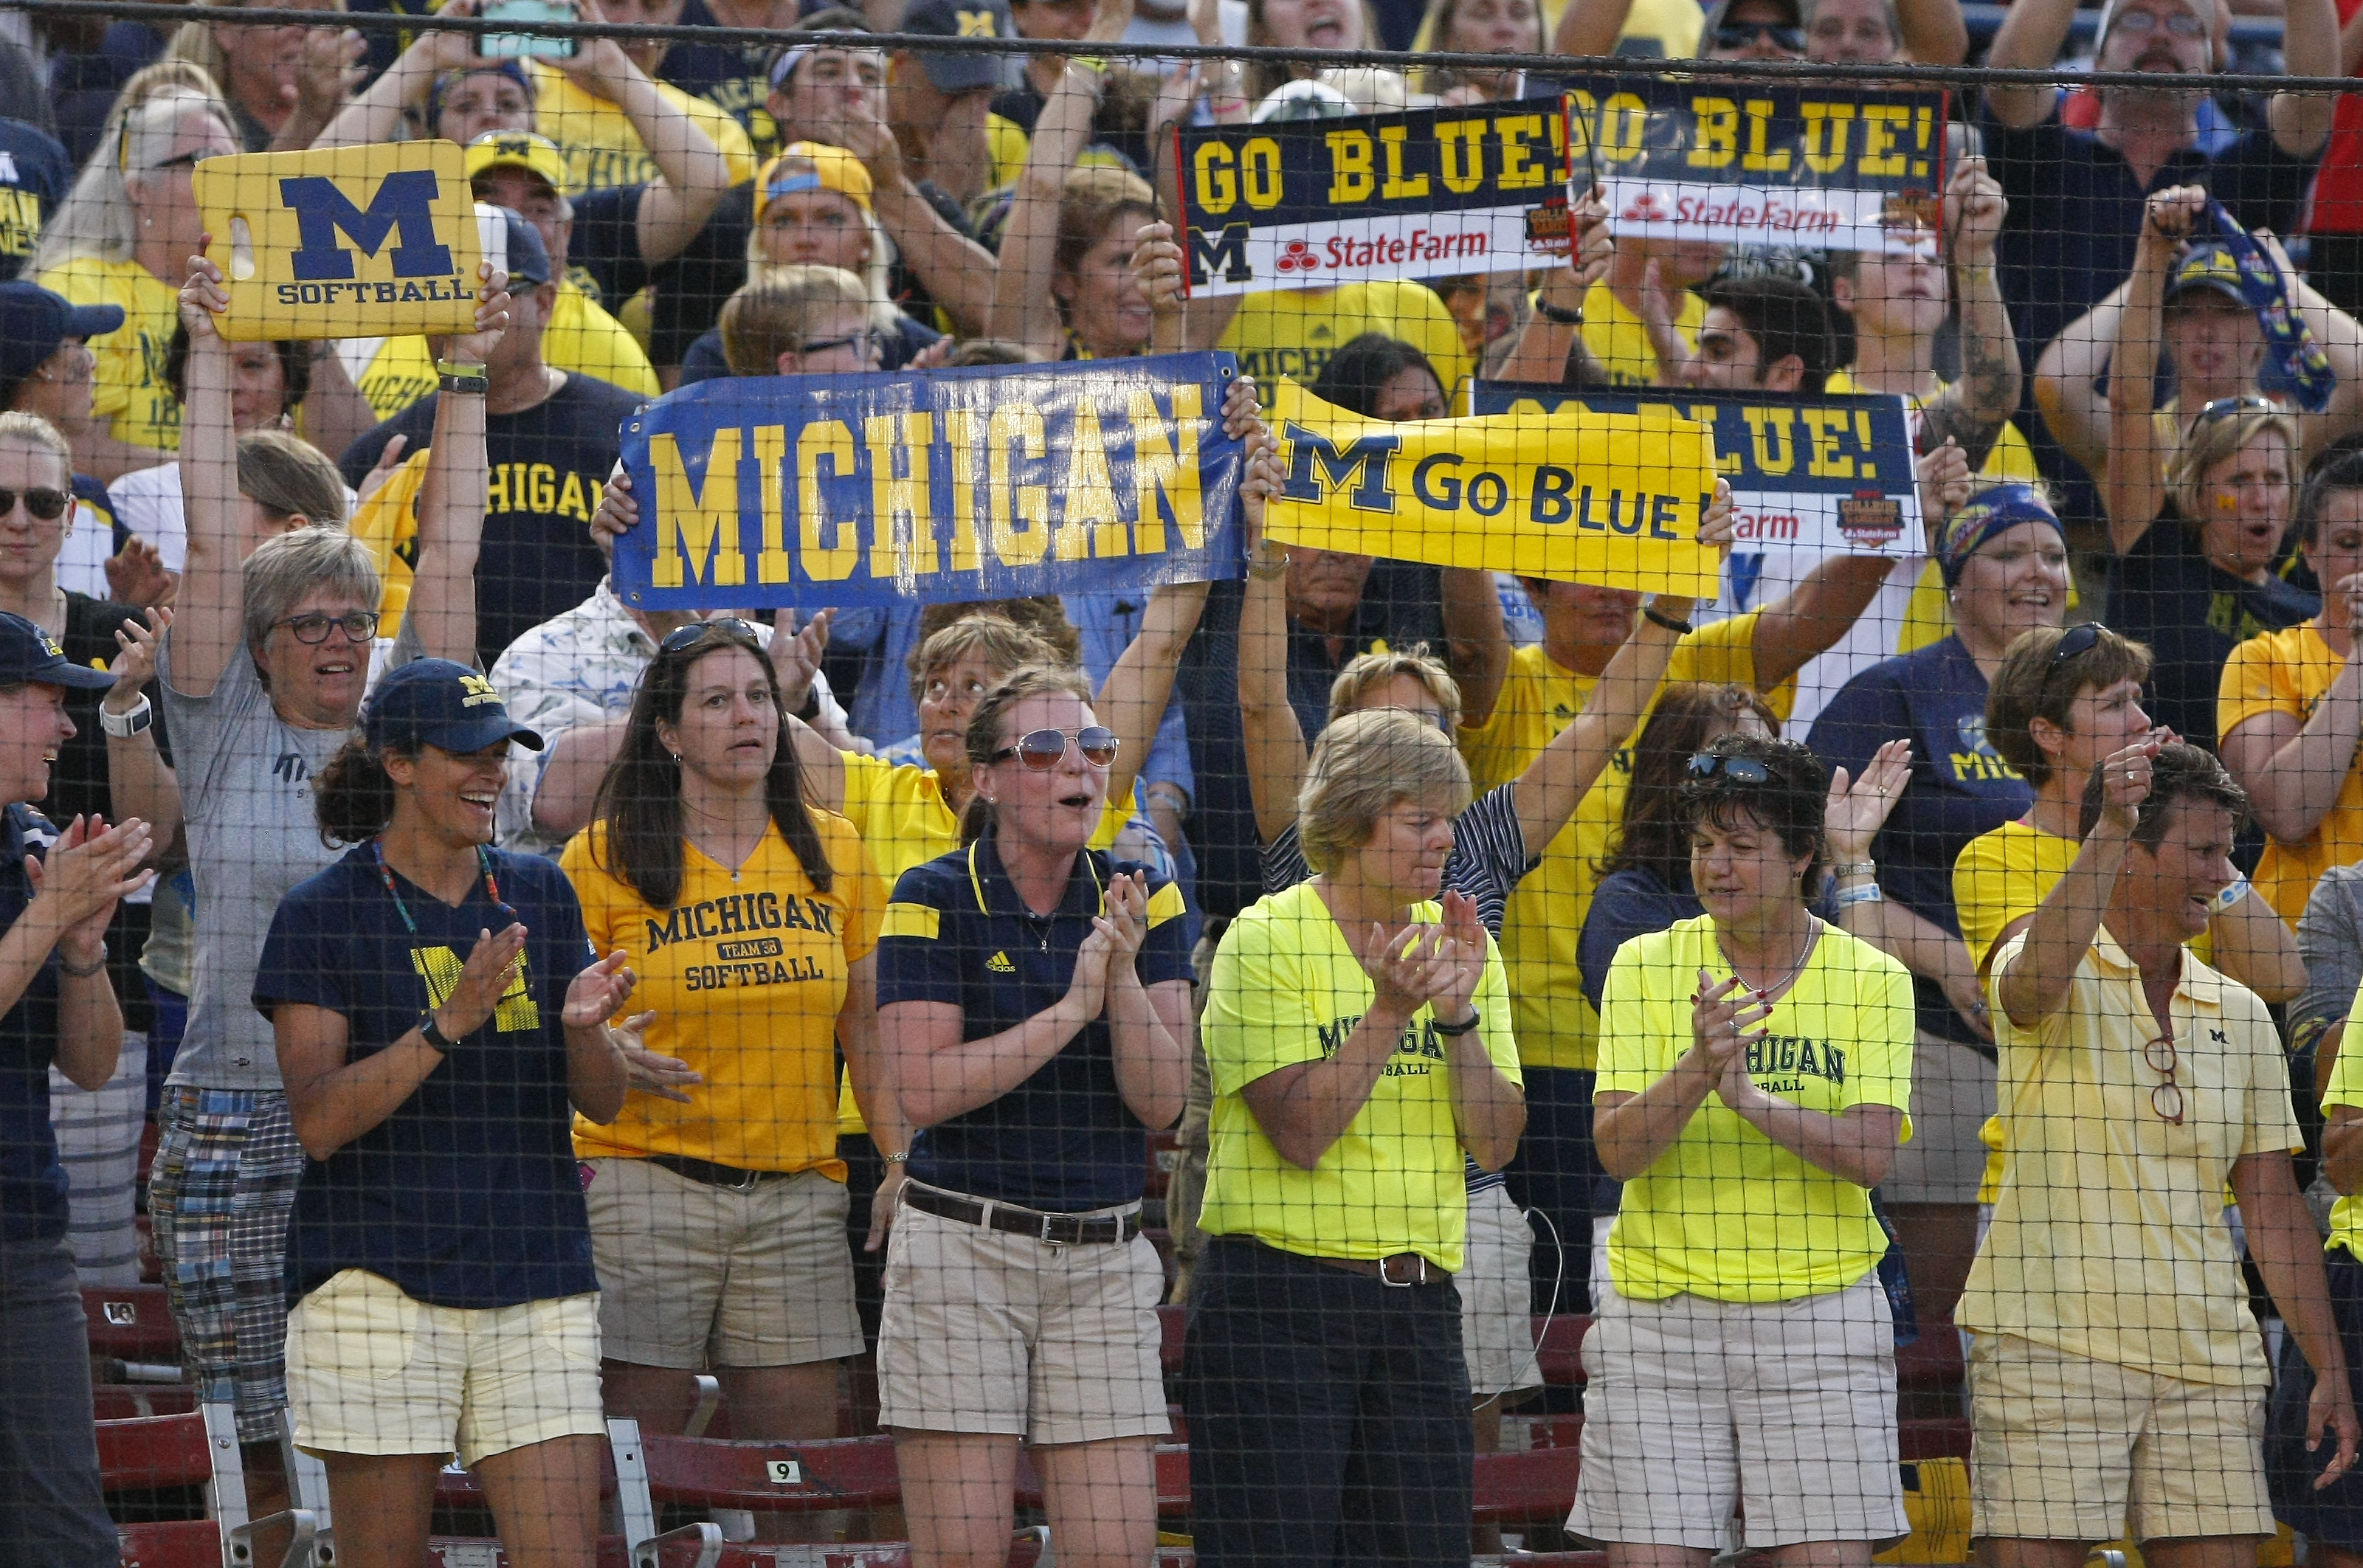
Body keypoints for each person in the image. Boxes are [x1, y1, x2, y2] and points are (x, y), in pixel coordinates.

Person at [146, 247, 505, 1527]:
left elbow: (452, 555)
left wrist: (465, 372)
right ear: (258, 645)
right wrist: (205, 352)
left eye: (354, 618)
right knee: (249, 1433)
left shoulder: (403, 722)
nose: (341, 640)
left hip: (387, 1114)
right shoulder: (218, 721)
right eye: (311, 622)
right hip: (232, 1116)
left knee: (379, 1424)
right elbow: (208, 529)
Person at [255, 660, 652, 1568]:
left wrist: (585, 1031)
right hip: (375, 1280)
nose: (492, 773)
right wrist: (448, 1023)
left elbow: (602, 1099)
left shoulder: (540, 892)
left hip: (535, 1272)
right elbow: (318, 1121)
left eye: (500, 752)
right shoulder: (321, 915)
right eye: (468, 753)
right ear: (398, 763)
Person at [1964, 740, 2360, 1561]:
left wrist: (2329, 1366)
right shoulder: (2044, 963)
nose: (2223, 875)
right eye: (2203, 852)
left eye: (2227, 852)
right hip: (2048, 1347)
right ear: (2127, 851)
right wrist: (2108, 823)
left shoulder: (2240, 1010)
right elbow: (2031, 984)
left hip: (2211, 1360)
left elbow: (2272, 1206)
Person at [1186, 706, 1521, 1568]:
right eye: (1419, 820)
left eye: (1448, 818)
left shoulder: (1463, 942)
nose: (1444, 839)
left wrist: (1458, 1018)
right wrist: (1388, 1012)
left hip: (1418, 1310)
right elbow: (1300, 1133)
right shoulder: (1263, 938)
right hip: (1278, 1305)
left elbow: (1496, 1144)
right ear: (1349, 819)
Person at [875, 665, 1193, 1568]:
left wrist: (1120, 978)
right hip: (961, 1251)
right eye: (1046, 748)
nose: (1079, 766)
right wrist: (1071, 1008)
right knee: (963, 1555)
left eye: (1093, 746)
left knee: (1116, 1554)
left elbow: (1163, 1101)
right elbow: (923, 1090)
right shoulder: (929, 895)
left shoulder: (1148, 893)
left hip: (1101, 1259)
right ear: (985, 778)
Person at [1570, 733, 1914, 1561]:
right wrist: (1698, 1068)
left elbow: (1870, 1156)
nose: (1715, 867)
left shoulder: (1872, 979)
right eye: (1702, 846)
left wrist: (1752, 1102)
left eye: (1740, 847)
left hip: (1822, 1321)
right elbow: (1617, 1152)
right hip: (1659, 1322)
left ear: (1802, 854)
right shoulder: (1642, 965)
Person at [561, 619, 889, 1441]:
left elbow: (868, 1027)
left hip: (796, 1195)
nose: (747, 717)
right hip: (642, 1185)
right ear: (667, 734)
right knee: (633, 1467)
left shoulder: (838, 848)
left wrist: (901, 1161)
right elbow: (544, 1023)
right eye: (715, 702)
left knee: (798, 1469)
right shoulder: (596, 859)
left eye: (758, 697)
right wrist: (592, 1044)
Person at [1804, 488, 2078, 1322]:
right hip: (1938, 1035)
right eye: (2008, 554)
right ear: (1955, 579)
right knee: (1945, 1310)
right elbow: (1812, 867)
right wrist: (1950, 959)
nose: (2037, 573)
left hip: (2076, 1035)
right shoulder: (1892, 693)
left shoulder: (2095, 698)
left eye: (2054, 555)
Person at [1978, 0, 2336, 410]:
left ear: (2210, 74)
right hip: (2031, 444)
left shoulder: (2241, 185)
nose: (2160, 35)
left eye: (2185, 23)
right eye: (2136, 18)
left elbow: (2312, 100)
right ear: (2096, 65)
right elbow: (2010, 78)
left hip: (2199, 444)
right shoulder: (2044, 164)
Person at [0, 609, 153, 1567]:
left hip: (24, 1238)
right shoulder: (44, 872)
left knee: (67, 1541)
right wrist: (49, 911)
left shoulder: (32, 842)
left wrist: (84, 950)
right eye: (47, 702)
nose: (67, 726)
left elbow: (92, 1066)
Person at [339, 210, 640, 672]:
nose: (459, 317)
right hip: (441, 696)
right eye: (440, 296)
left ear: (544, 303)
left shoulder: (629, 433)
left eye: (480, 296)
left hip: (599, 686)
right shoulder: (381, 455)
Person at [2099, 217, 2319, 755]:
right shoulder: (2155, 556)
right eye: (2239, 480)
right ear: (2199, 493)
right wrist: (2152, 255)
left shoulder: (2309, 615)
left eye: (2274, 480)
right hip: (2147, 797)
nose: (2261, 499)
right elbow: (2128, 400)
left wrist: (2283, 285)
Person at [351, 131, 668, 420]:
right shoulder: (402, 311)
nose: (511, 219)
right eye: (489, 204)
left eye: (537, 209)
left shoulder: (613, 351)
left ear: (567, 231)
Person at [30, 86, 239, 477]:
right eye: (206, 161)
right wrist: (223, 475)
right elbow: (64, 449)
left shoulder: (246, 290)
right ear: (140, 189)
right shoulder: (84, 287)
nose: (231, 182)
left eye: (236, 165)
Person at [677, 142, 942, 382]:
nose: (806, 238)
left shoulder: (919, 348)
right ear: (761, 244)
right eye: (784, 220)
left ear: (866, 241)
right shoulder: (715, 358)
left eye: (831, 219)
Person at [990, 30, 1159, 367]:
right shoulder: (1032, 347)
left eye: (1150, 258)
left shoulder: (1176, 347)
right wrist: (1103, 32)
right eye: (1121, 261)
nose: (1143, 279)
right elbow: (1041, 189)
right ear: (1064, 278)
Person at [164, 0, 359, 154]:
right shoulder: (194, 122)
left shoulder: (359, 116)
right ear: (227, 28)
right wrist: (309, 116)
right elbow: (246, 191)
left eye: (320, 15)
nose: (306, 31)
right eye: (285, 13)